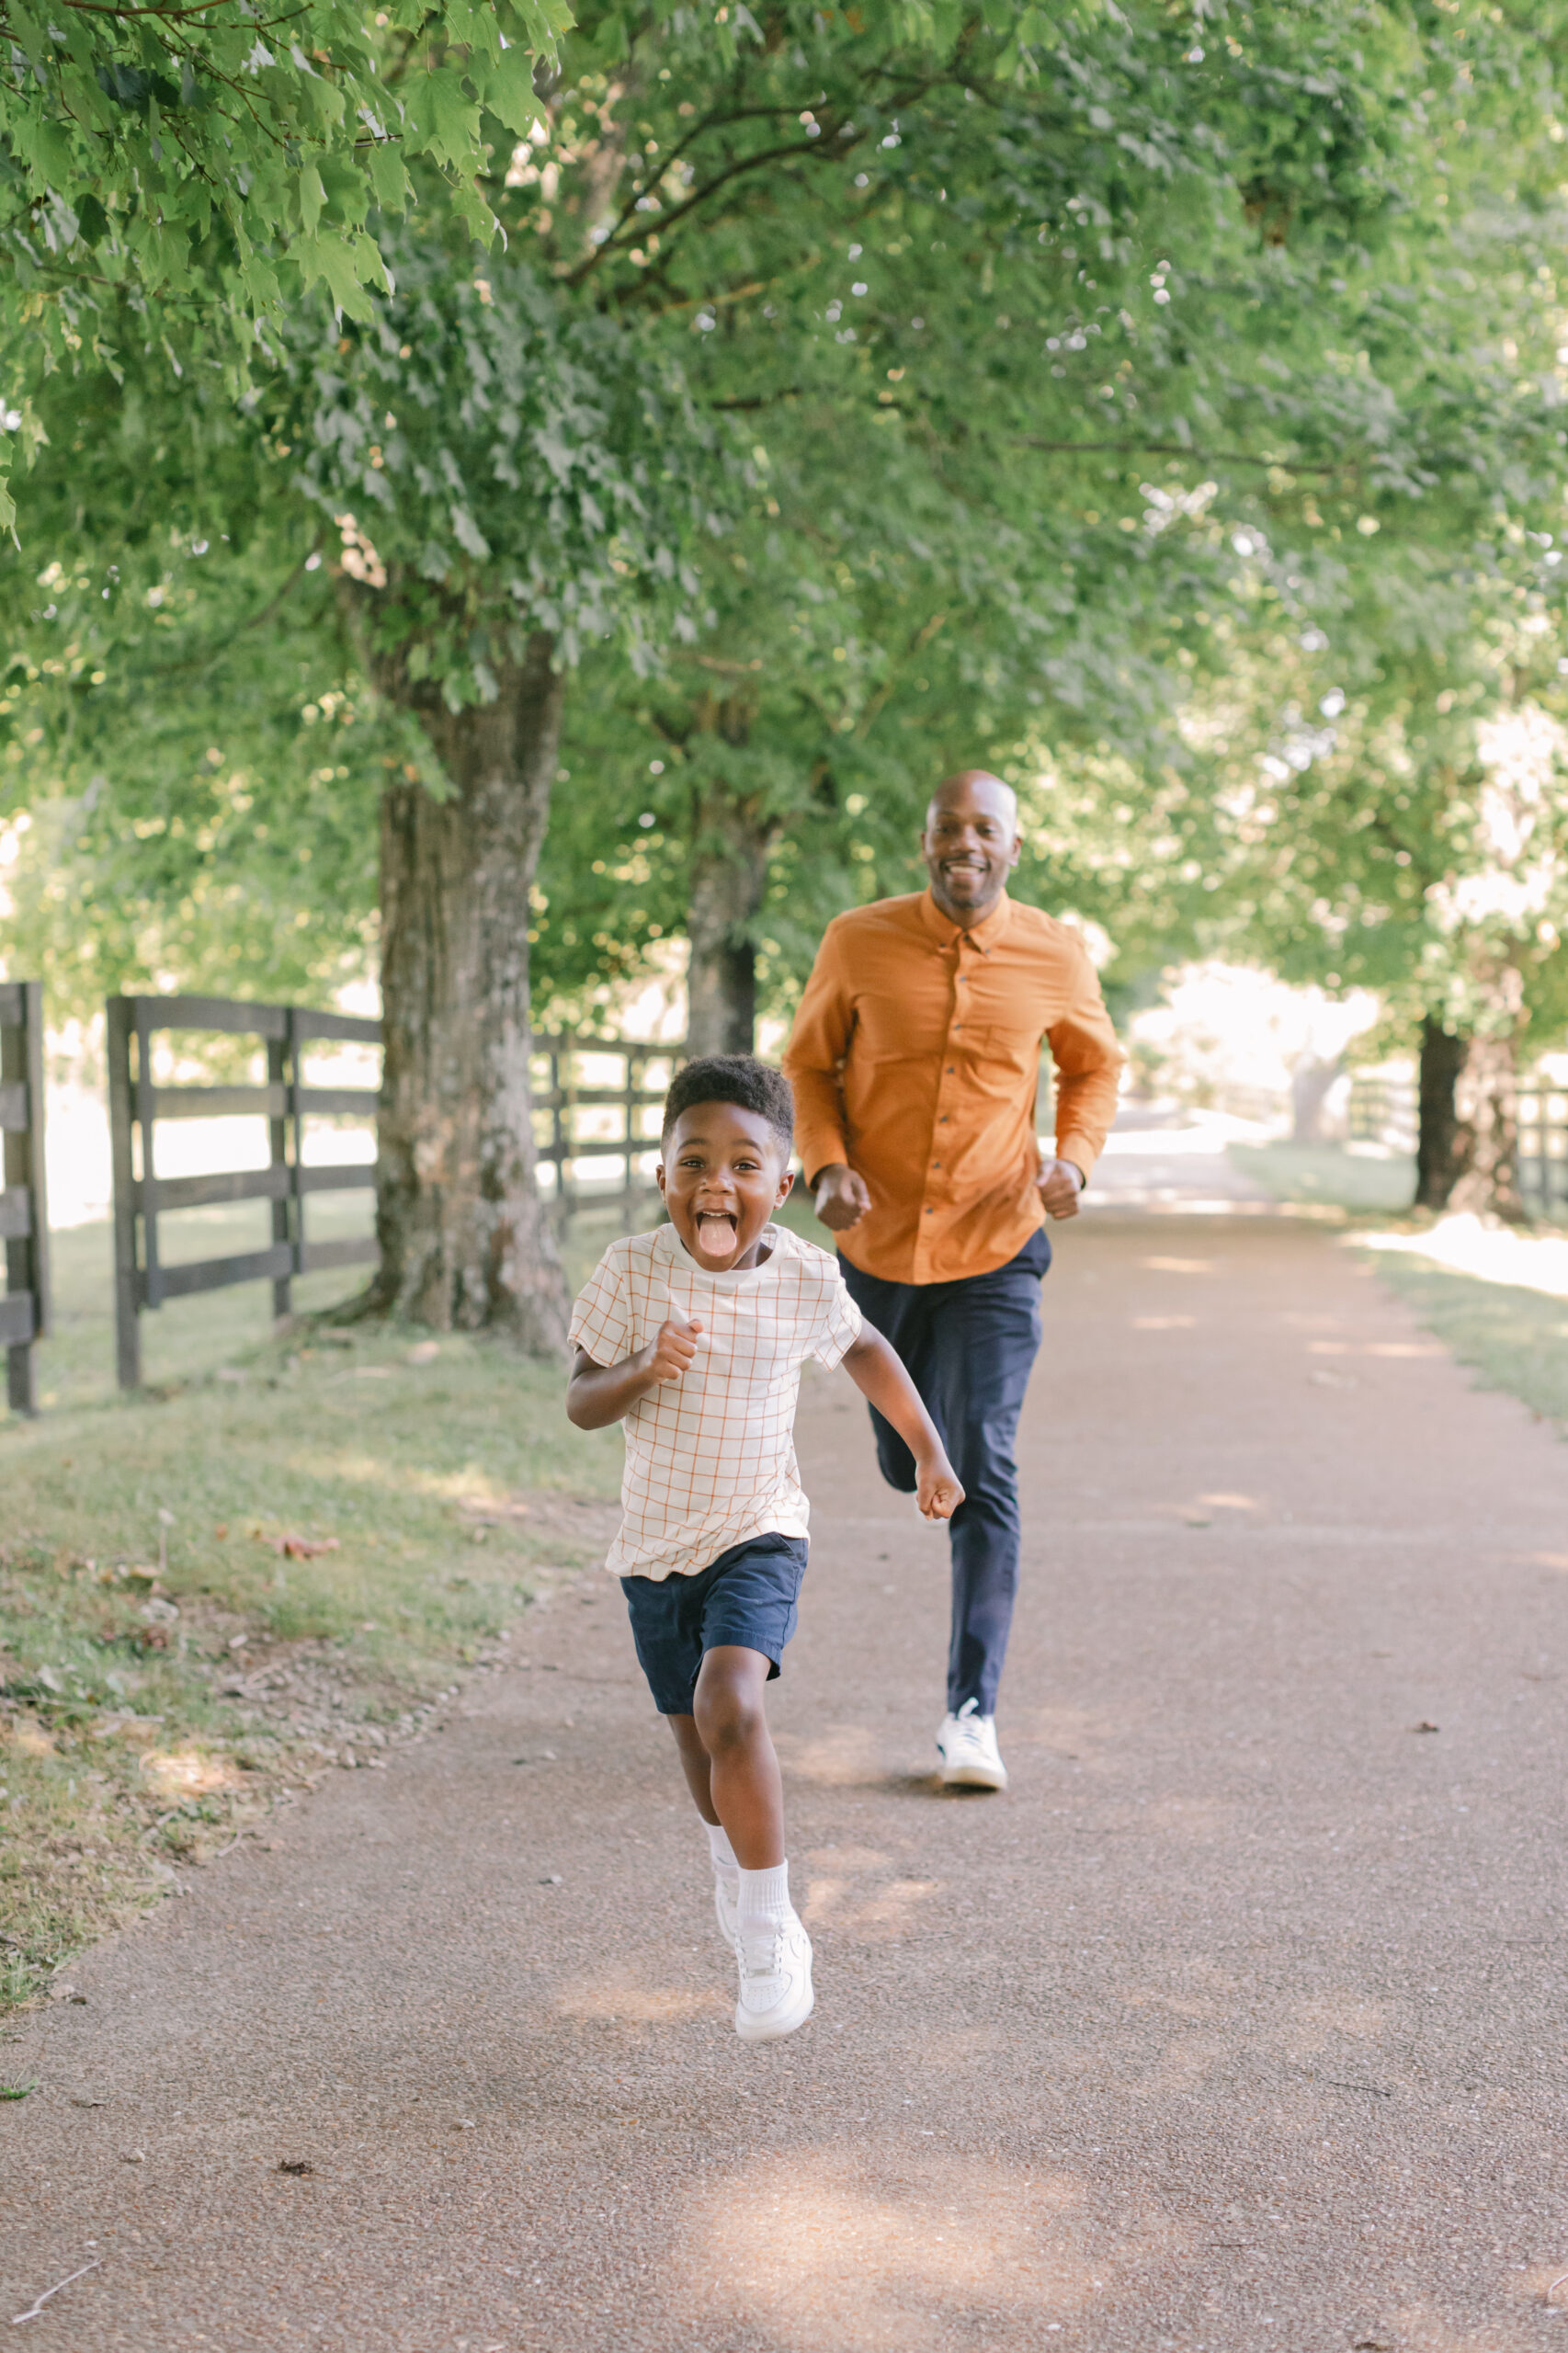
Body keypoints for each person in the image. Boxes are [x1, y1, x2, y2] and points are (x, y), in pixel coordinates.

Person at [566, 1054, 962, 2043]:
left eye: (744, 1165)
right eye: (693, 1160)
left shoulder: (802, 1275)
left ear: (780, 1187)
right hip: (654, 1549)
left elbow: (866, 1347)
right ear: (661, 1176)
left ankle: (768, 1924)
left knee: (729, 1705)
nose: (717, 1183)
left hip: (759, 1531)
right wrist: (640, 1367)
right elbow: (580, 1399)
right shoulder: (628, 1270)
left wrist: (927, 1448)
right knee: (699, 1755)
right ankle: (734, 1874)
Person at [782, 769, 1123, 1792]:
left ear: (1012, 847)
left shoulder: (1053, 951)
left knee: (982, 1460)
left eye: (984, 829)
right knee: (908, 1459)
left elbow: (1093, 1065)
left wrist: (1073, 1157)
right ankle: (918, 1450)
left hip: (995, 1244)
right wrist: (827, 1161)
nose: (962, 843)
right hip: (877, 1251)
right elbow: (804, 1067)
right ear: (922, 842)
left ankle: (970, 1712)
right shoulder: (857, 940)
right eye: (945, 828)